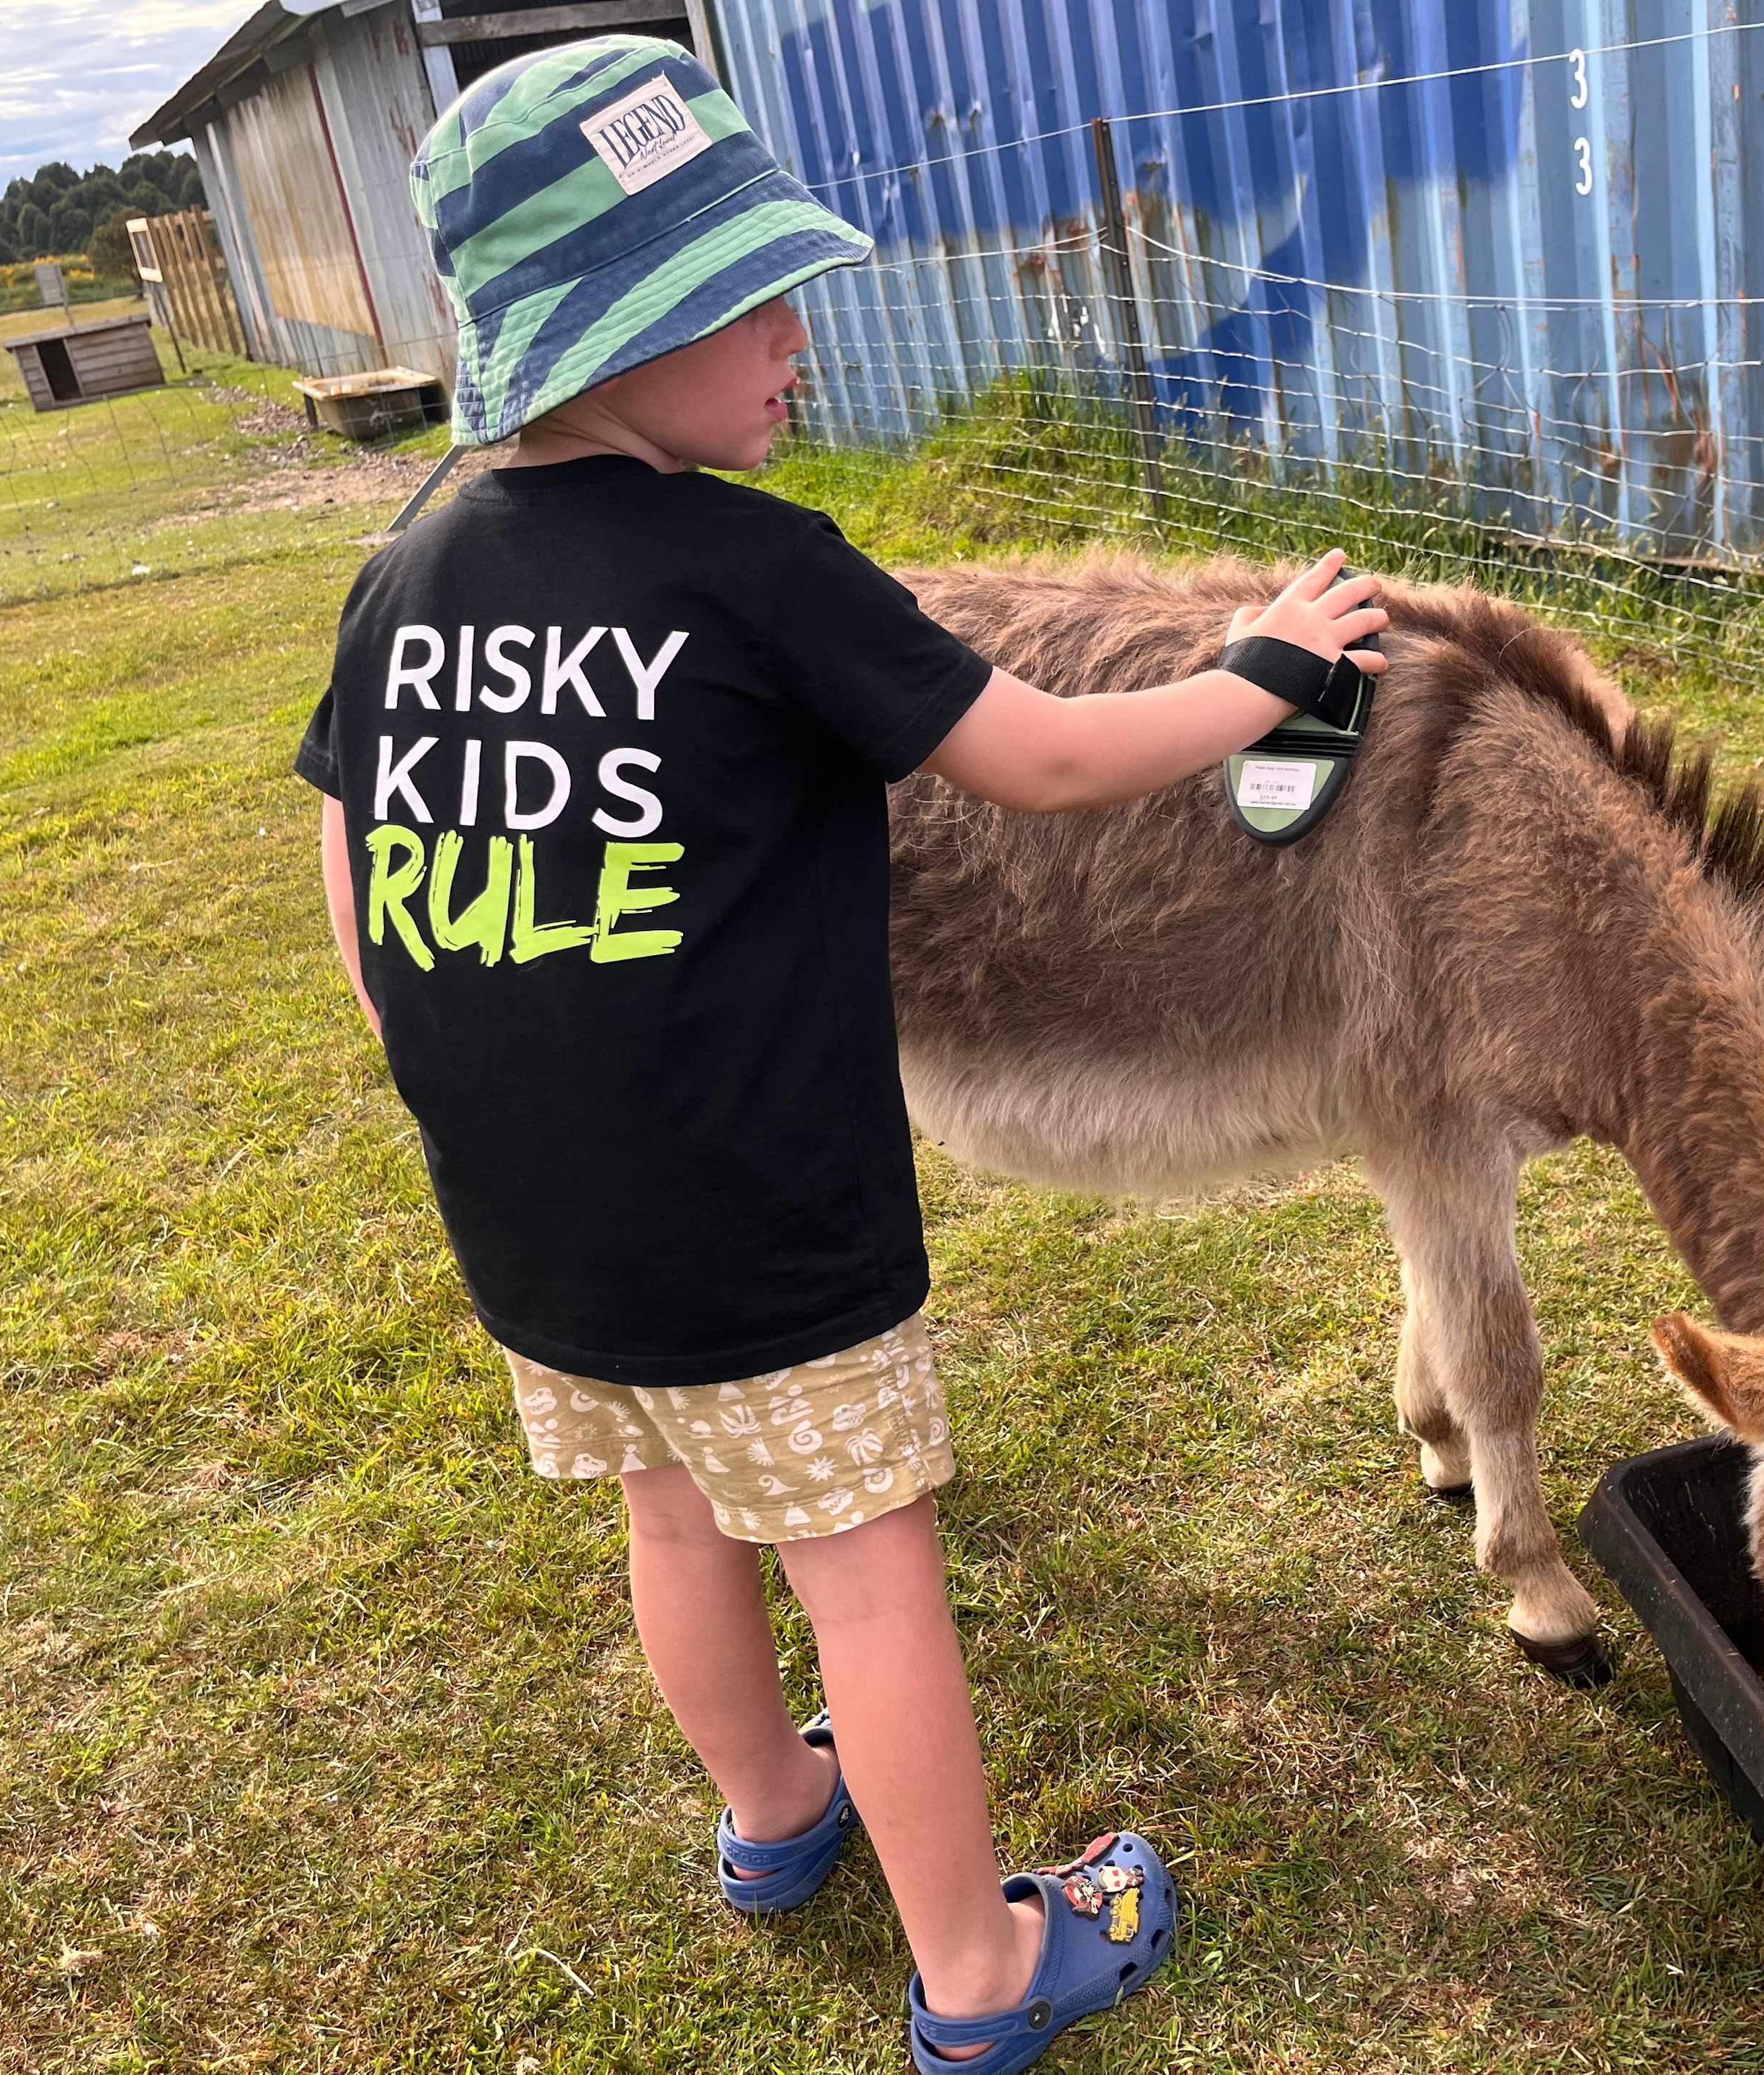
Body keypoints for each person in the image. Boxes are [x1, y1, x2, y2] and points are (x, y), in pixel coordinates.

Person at [295, 36, 1386, 2073]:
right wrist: (1267, 677)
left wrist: (431, 1050)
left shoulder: (407, 572)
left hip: (536, 1216)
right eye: (748, 299)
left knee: (671, 1517)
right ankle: (983, 1968)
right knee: (867, 1574)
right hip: (758, 1216)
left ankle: (774, 1818)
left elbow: (347, 840)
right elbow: (1048, 761)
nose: (799, 337)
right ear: (618, 335)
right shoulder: (758, 569)